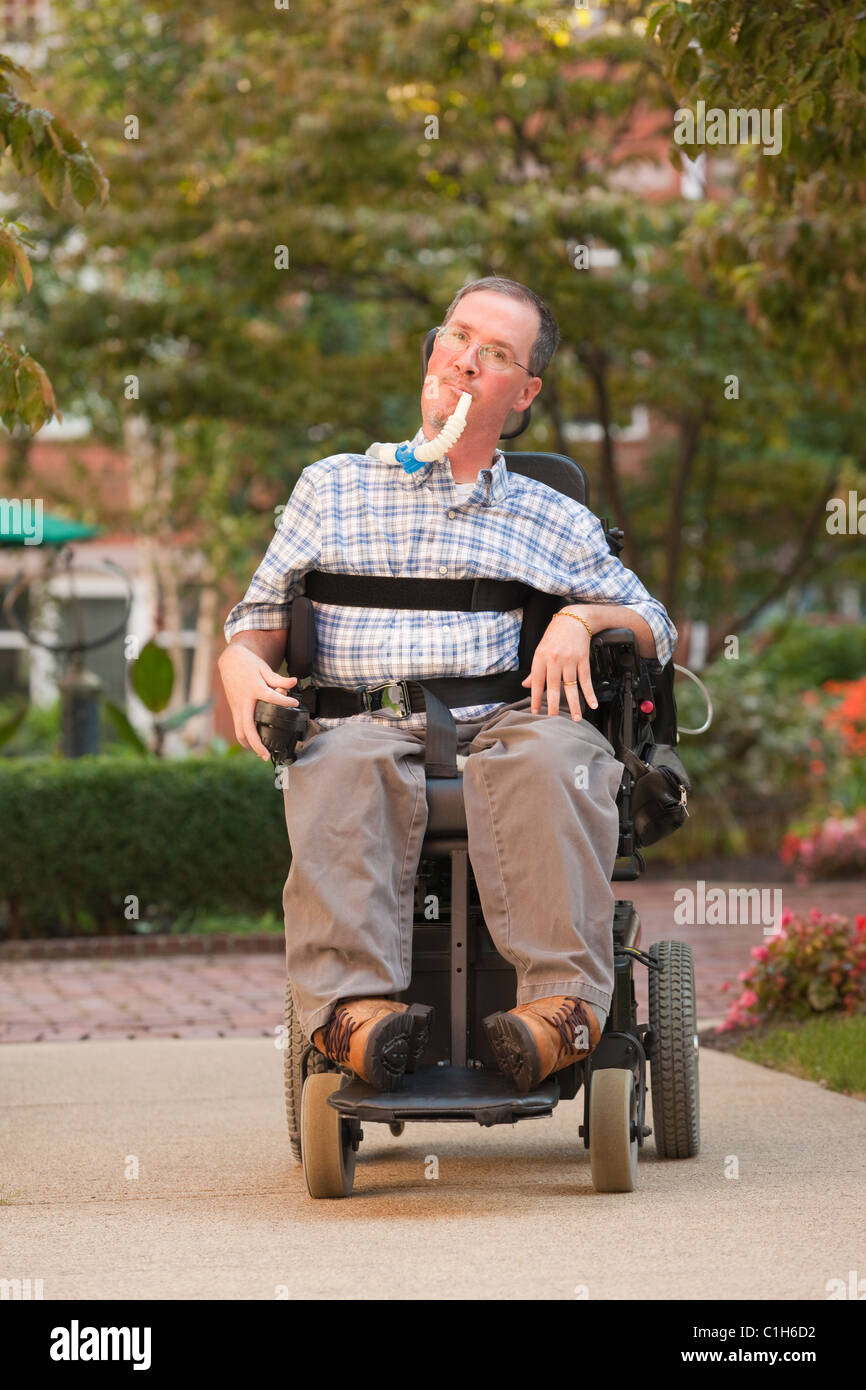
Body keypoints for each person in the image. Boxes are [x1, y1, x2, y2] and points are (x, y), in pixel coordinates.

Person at [218, 276, 678, 1094]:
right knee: (339, 761)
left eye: (494, 353)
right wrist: (236, 659)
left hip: (507, 718)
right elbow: (258, 617)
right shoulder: (331, 488)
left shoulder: (550, 517)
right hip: (366, 716)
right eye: (457, 336)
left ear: (525, 391)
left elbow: (657, 626)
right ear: (433, 349)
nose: (465, 360)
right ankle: (352, 1015)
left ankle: (560, 1010)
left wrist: (580, 620)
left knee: (553, 758)